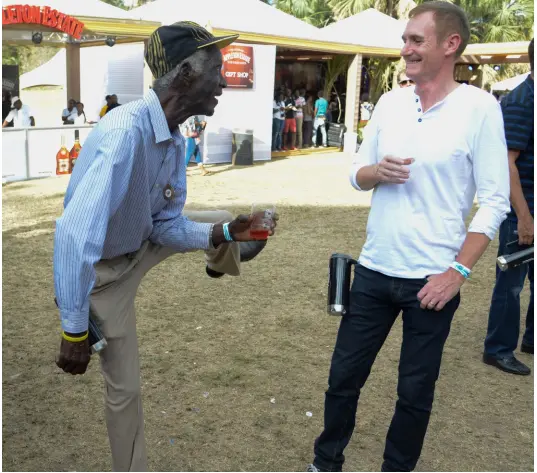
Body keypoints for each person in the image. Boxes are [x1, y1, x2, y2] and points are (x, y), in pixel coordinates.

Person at [53, 22, 277, 472]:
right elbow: (74, 235)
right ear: (187, 74)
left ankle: (225, 255)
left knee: (220, 218)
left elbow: (166, 226)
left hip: (142, 242)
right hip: (102, 277)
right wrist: (74, 330)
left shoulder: (174, 140)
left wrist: (229, 234)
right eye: (217, 69)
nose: (224, 81)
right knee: (126, 390)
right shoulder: (125, 134)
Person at [308, 2, 509, 472]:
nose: (405, 50)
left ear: (450, 45)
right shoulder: (392, 102)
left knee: (414, 393)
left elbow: (495, 201)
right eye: (406, 40)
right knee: (343, 378)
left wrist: (457, 272)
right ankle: (325, 462)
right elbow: (355, 175)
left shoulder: (479, 109)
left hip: (432, 284)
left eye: (416, 40)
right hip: (375, 270)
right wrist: (376, 171)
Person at [483, 38, 534, 375]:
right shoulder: (520, 101)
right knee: (511, 283)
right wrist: (524, 216)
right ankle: (498, 349)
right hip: (523, 209)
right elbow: (507, 164)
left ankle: (531, 339)